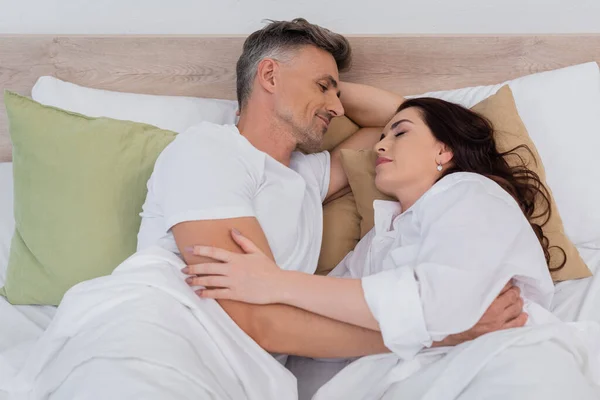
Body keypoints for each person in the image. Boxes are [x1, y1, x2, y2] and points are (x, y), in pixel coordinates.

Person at [181, 95, 600, 398]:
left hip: (496, 361)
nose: (380, 145)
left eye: (399, 133)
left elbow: (438, 304)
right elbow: (311, 340)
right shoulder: (374, 242)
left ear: (444, 149)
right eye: (381, 136)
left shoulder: (473, 193)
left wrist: (276, 283)